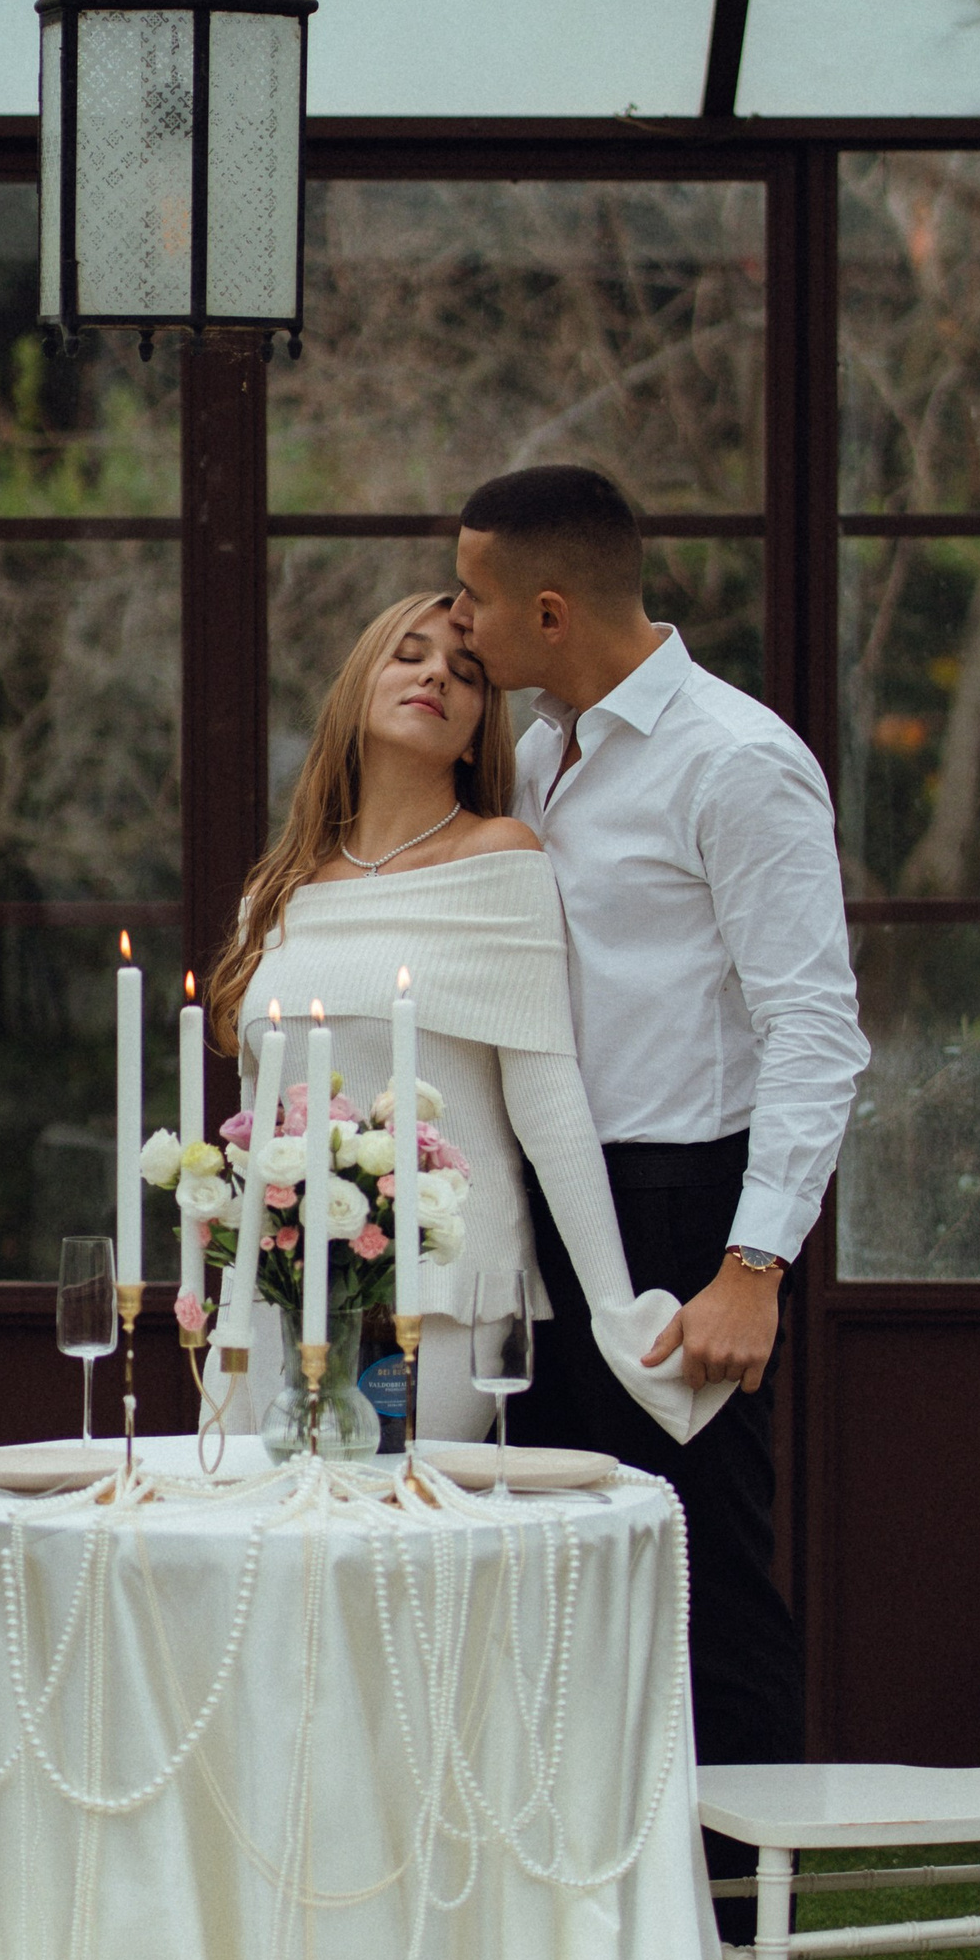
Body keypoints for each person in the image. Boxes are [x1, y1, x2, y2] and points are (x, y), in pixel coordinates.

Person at [449, 467, 868, 1862]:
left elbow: (817, 1031)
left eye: (474, 595)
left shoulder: (736, 760)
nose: (457, 620)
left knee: (706, 1593)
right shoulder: (532, 755)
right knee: (563, 1590)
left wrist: (755, 1266)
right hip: (546, 1209)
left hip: (686, 1214)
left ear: (551, 610)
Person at [203, 588, 728, 1449]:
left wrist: (613, 1307)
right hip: (277, 1291)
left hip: (446, 1292)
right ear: (358, 684)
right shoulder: (276, 891)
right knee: (268, 1539)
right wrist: (228, 1289)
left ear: (484, 719)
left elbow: (546, 1092)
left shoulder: (500, 858)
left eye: (467, 671)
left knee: (387, 1529)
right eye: (408, 653)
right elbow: (256, 1125)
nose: (435, 675)